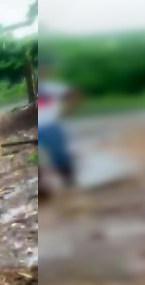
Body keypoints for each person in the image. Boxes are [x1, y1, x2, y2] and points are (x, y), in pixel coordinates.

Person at [37, 55, 82, 188]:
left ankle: (69, 182)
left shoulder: (51, 87)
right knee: (39, 159)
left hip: (51, 126)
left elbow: (76, 94)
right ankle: (42, 187)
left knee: (59, 155)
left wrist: (65, 111)